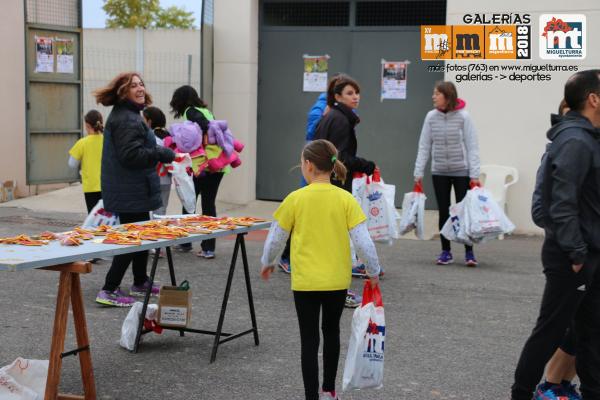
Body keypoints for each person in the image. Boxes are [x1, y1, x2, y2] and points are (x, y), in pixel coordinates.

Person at [260, 139, 381, 400]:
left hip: (305, 281)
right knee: (332, 332)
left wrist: (268, 262)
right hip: (337, 280)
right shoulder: (345, 198)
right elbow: (364, 242)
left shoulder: (295, 199)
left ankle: (310, 396)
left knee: (309, 340)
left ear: (309, 165)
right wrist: (373, 272)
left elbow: (276, 238)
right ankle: (329, 390)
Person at [511, 69, 600, 400]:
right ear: (593, 98)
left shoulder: (588, 138)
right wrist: (577, 253)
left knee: (590, 334)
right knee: (549, 332)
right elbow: (561, 204)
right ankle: (521, 394)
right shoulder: (575, 141)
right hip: (573, 257)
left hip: (589, 253)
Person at [94, 72, 176, 307]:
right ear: (123, 92)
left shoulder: (130, 115)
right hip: (128, 190)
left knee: (142, 234)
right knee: (131, 239)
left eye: (141, 84)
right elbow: (131, 156)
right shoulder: (127, 119)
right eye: (133, 86)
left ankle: (140, 281)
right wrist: (162, 153)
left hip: (132, 189)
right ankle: (108, 289)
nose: (140, 88)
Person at [531, 99, 580, 399]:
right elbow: (540, 209)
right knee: (569, 325)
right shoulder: (555, 153)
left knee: (587, 328)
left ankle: (561, 382)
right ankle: (550, 383)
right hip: (568, 253)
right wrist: (570, 239)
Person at [413, 81, 480, 267]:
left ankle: (469, 252)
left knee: (463, 211)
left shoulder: (464, 117)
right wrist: (418, 172)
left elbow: (472, 146)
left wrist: (474, 175)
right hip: (439, 171)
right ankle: (446, 251)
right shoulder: (430, 117)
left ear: (447, 96)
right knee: (444, 211)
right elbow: (424, 145)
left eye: (437, 94)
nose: (433, 97)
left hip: (462, 171)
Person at [278, 92, 329, 274]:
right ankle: (286, 257)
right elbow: (311, 133)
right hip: (314, 174)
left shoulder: (341, 112)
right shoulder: (320, 108)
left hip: (324, 173)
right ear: (335, 93)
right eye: (349, 93)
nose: (355, 97)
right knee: (300, 216)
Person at [170, 85, 222, 259]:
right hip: (217, 163)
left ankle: (186, 241)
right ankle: (209, 247)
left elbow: (205, 126)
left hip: (201, 164)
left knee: (188, 200)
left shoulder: (191, 112)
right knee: (208, 204)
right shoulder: (205, 110)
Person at [68, 110, 104, 213]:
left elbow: (72, 164)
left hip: (90, 186)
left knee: (94, 218)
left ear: (87, 125)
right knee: (109, 218)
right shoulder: (107, 141)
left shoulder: (82, 143)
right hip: (108, 186)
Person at [142, 106, 172, 217]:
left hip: (153, 179)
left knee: (150, 213)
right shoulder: (168, 136)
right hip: (167, 179)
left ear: (149, 122)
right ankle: (162, 233)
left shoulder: (150, 137)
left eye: (143, 119)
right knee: (162, 211)